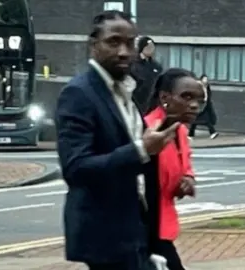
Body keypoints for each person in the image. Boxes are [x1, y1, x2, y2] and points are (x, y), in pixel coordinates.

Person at [55, 10, 178, 270]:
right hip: (105, 236)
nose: (124, 51)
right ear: (93, 45)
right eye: (113, 42)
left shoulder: (125, 90)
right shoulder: (79, 94)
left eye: (130, 43)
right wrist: (141, 149)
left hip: (135, 229)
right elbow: (76, 168)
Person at [144, 68, 205, 270]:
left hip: (161, 226)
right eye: (186, 97)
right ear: (164, 97)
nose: (194, 105)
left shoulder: (179, 130)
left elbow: (185, 165)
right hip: (143, 230)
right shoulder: (149, 131)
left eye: (200, 100)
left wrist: (187, 180)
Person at [130, 36, 163, 113]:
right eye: (148, 47)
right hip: (137, 104)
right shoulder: (133, 65)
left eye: (152, 47)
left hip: (152, 104)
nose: (151, 49)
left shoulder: (156, 66)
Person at [188, 74, 219, 139]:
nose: (206, 81)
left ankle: (212, 133)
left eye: (207, 79)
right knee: (197, 121)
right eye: (204, 79)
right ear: (201, 79)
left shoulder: (206, 87)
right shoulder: (198, 86)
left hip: (204, 106)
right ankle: (190, 135)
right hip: (199, 106)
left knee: (204, 120)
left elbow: (208, 96)